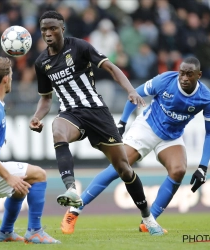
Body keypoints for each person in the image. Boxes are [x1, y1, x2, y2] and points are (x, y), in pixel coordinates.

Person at [29, 10, 164, 236]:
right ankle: (71, 189)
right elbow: (45, 99)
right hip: (71, 114)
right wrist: (36, 116)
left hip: (97, 113)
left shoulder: (80, 47)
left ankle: (147, 217)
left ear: (62, 28)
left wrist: (130, 91)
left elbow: (111, 67)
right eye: (44, 29)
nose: (48, 33)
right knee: (57, 129)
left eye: (53, 28)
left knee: (124, 169)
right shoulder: (42, 62)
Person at [60, 57, 210, 234]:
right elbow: (135, 93)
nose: (184, 78)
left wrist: (203, 167)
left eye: (190, 74)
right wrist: (122, 122)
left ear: (199, 75)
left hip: (171, 137)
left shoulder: (207, 99)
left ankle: (149, 222)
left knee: (179, 170)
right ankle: (73, 211)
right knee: (118, 168)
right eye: (182, 73)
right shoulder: (165, 80)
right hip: (147, 127)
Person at [0, 57, 60, 244]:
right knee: (39, 175)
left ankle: (6, 232)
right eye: (12, 75)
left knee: (21, 188)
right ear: (6, 78)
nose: (13, 78)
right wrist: (9, 177)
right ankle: (35, 232)